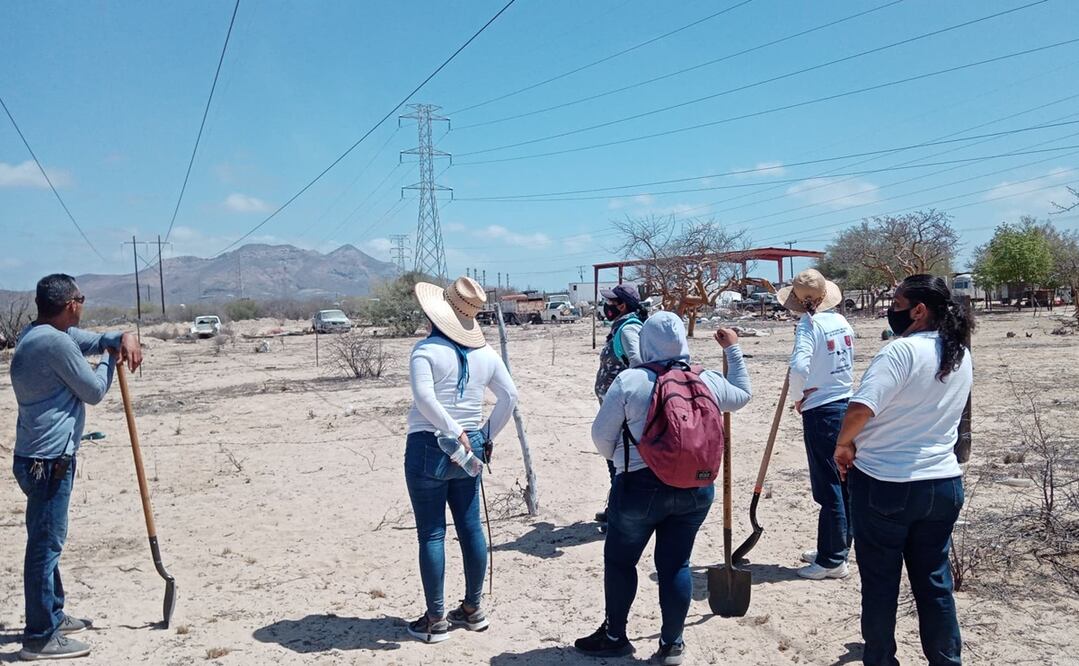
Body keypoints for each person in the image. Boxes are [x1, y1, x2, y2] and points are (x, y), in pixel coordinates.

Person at [576, 312, 751, 665]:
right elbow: (743, 395)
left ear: (646, 343)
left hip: (638, 488)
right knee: (676, 565)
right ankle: (672, 645)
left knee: (620, 561)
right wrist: (733, 350)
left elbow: (601, 437)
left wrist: (623, 460)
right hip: (696, 487)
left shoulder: (630, 381)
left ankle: (615, 636)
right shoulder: (706, 379)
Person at [834, 274, 974, 666]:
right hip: (943, 483)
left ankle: (881, 659)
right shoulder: (959, 352)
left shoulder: (900, 351)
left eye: (896, 304)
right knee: (934, 582)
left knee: (880, 584)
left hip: (887, 484)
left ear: (918, 310)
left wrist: (843, 445)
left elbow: (860, 408)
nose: (891, 311)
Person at [9, 274, 142, 661]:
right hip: (48, 461)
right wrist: (111, 358)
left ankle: (52, 613)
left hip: (35, 456)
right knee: (44, 547)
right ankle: (40, 637)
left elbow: (93, 338)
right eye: (81, 299)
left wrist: (121, 337)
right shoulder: (55, 343)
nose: (83, 304)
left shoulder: (39, 334)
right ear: (71, 305)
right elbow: (94, 391)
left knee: (45, 539)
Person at [404, 276, 518, 644]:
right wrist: (484, 435)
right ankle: (473, 608)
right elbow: (510, 397)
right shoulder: (486, 355)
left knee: (432, 533)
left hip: (428, 445)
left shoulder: (425, 351)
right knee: (470, 528)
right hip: (469, 450)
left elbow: (425, 399)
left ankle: (436, 619)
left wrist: (456, 431)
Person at [776, 269, 856, 580]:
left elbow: (799, 367)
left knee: (829, 485)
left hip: (822, 410)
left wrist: (798, 397)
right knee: (844, 480)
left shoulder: (809, 326)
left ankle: (832, 560)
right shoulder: (841, 321)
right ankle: (837, 546)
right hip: (846, 404)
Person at [593, 282, 646, 527]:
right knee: (615, 459)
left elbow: (638, 362)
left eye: (610, 302)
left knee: (620, 460)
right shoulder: (621, 327)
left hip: (622, 409)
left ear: (622, 306)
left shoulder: (628, 329)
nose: (606, 307)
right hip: (615, 406)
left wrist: (626, 394)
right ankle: (615, 508)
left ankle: (619, 514)